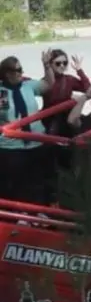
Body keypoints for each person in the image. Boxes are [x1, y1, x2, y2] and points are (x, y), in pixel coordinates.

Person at [0, 53, 55, 204]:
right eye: (16, 70)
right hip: (11, 146)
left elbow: (49, 84)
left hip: (36, 142)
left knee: (38, 181)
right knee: (14, 184)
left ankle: (39, 214)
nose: (20, 73)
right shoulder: (1, 92)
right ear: (6, 73)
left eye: (21, 70)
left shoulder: (28, 86)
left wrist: (47, 66)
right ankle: (17, 217)